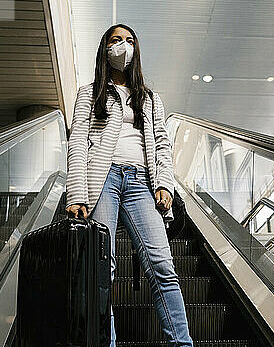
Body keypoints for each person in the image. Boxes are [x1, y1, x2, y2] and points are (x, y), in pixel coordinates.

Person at [65, 24, 194, 346]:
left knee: (162, 265)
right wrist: (76, 193)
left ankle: (182, 344)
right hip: (102, 178)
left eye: (129, 41)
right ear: (104, 49)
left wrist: (164, 184)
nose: (123, 46)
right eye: (115, 40)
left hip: (141, 182)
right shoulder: (89, 92)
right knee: (100, 268)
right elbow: (78, 141)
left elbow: (162, 144)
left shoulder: (149, 98)